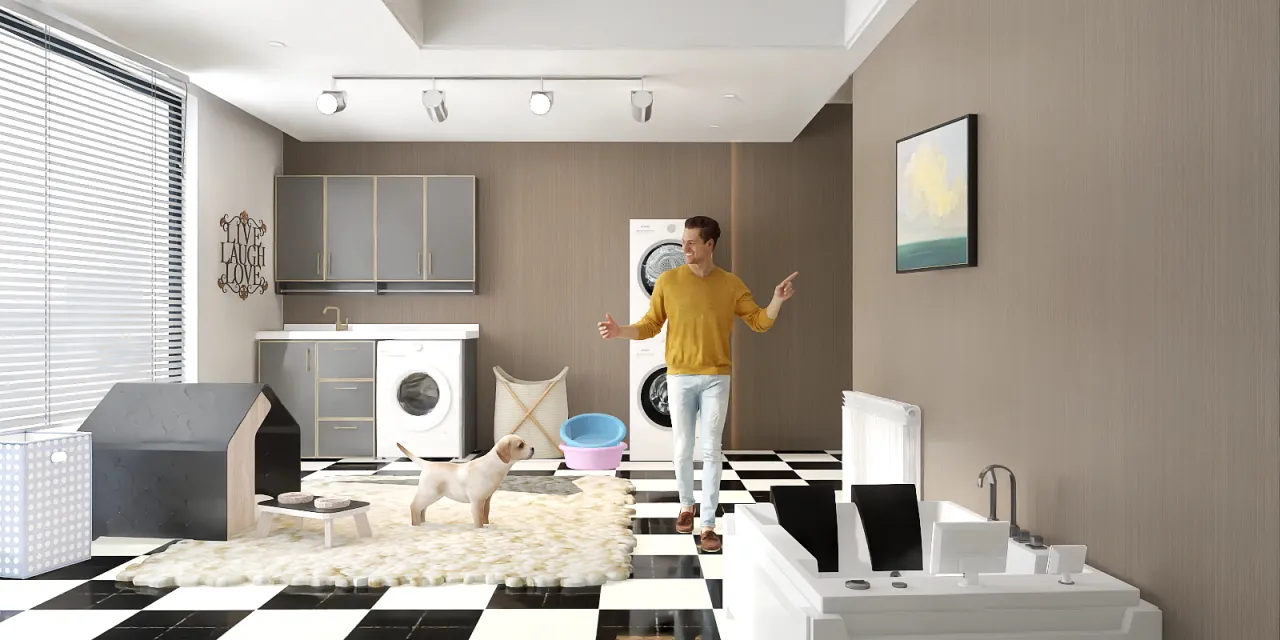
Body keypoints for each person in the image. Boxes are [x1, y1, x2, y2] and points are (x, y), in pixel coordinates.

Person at [598, 216, 797, 552]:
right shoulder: (668, 281)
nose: (684, 247)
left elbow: (760, 322)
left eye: (692, 242)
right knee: (682, 448)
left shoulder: (731, 284)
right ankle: (686, 505)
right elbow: (650, 325)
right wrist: (621, 332)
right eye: (683, 241)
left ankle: (707, 524)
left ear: (710, 245)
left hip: (717, 377)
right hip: (678, 376)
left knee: (711, 451)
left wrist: (776, 300)